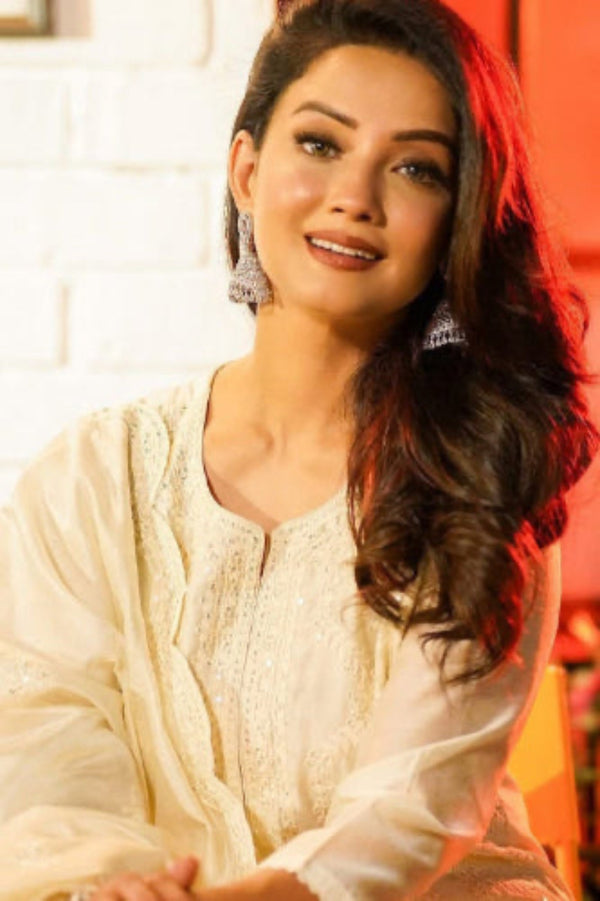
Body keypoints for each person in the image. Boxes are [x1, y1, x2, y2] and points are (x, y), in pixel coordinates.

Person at [0, 0, 597, 898]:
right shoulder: (93, 478)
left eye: (415, 168)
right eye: (321, 144)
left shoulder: (477, 474)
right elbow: (43, 752)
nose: (356, 196)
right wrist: (119, 887)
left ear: (457, 219)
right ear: (245, 169)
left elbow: (408, 812)